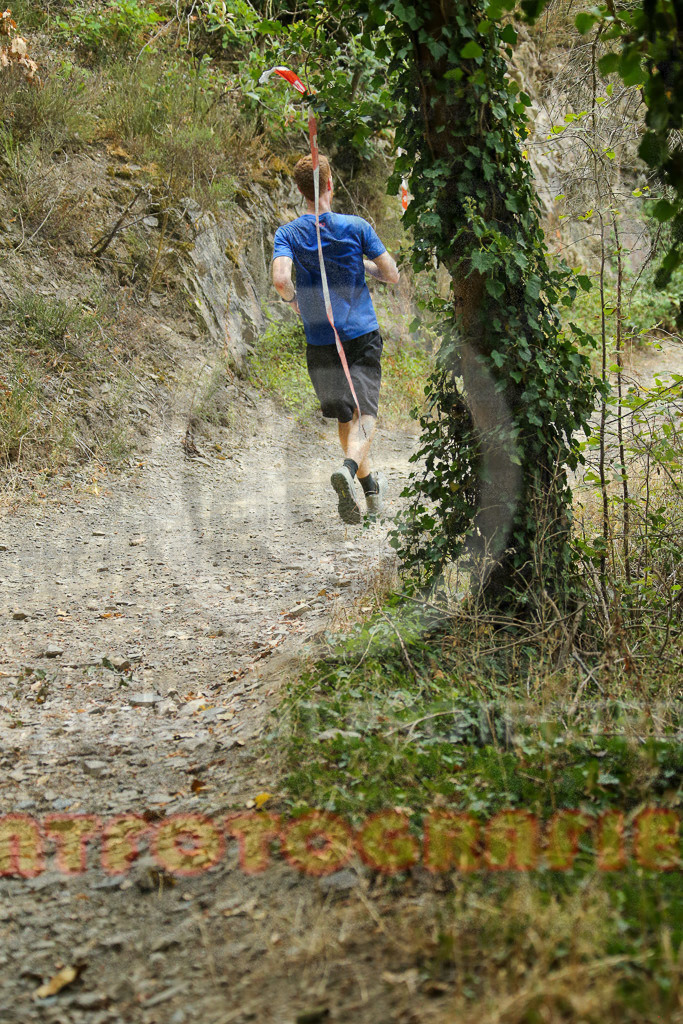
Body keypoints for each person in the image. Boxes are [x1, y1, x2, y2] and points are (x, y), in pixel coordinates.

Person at [272, 154, 400, 524]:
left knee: (348, 417)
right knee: (367, 415)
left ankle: (372, 495)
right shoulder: (356, 227)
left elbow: (281, 279)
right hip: (359, 334)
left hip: (320, 341)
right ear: (329, 184)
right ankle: (347, 469)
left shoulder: (288, 234)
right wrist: (365, 265)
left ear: (299, 190)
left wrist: (294, 300)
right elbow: (391, 274)